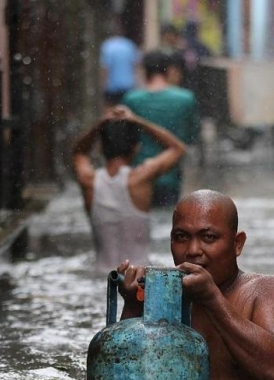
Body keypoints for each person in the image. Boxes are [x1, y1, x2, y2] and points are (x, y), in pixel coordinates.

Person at [115, 190, 274, 380]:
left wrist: (212, 299)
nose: (193, 250)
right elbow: (120, 379)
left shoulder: (269, 291)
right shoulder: (163, 297)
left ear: (237, 244)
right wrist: (134, 306)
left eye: (208, 237)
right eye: (181, 237)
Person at [71, 106, 186, 271]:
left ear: (100, 149)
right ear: (136, 147)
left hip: (100, 278)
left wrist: (99, 125)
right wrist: (138, 121)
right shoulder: (141, 178)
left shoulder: (88, 181)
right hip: (140, 278)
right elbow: (177, 148)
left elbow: (79, 152)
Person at [123, 50, 200, 208]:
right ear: (169, 70)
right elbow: (193, 135)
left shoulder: (131, 100)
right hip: (170, 175)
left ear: (144, 70)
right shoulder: (186, 99)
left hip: (139, 176)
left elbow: (123, 139)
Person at [100, 18, 140, 106]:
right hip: (128, 87)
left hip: (112, 88)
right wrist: (137, 84)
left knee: (112, 113)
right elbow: (136, 66)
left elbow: (105, 68)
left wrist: (103, 85)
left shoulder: (107, 46)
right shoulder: (130, 45)